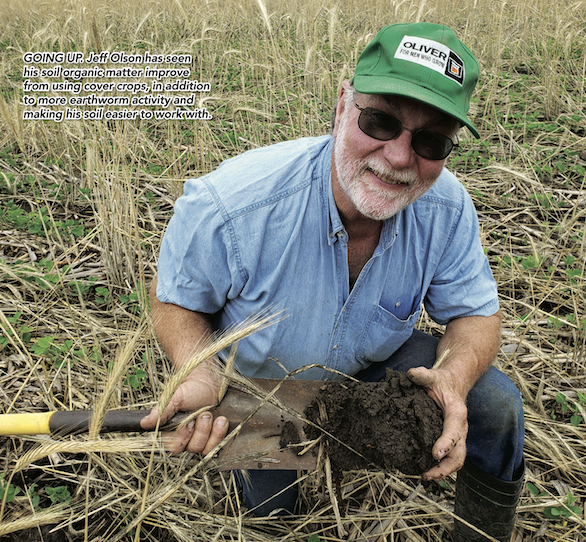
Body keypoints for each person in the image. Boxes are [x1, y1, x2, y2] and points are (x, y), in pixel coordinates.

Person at [142, 22, 525, 542]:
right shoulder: (231, 206)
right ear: (343, 103)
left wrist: (453, 379)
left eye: (432, 141)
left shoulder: (447, 208)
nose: (398, 157)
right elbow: (174, 302)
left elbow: (476, 316)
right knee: (272, 516)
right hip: (266, 391)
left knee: (495, 406)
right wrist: (200, 370)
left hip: (374, 366)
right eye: (381, 121)